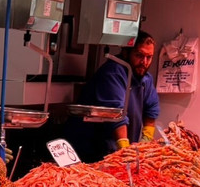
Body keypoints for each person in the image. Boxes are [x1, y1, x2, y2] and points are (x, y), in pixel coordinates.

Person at [63, 30, 160, 163]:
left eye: (149, 57)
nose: (144, 62)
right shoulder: (113, 72)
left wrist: (145, 142)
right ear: (125, 52)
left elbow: (151, 111)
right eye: (139, 55)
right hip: (92, 150)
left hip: (114, 150)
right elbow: (117, 115)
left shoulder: (145, 79)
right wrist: (125, 150)